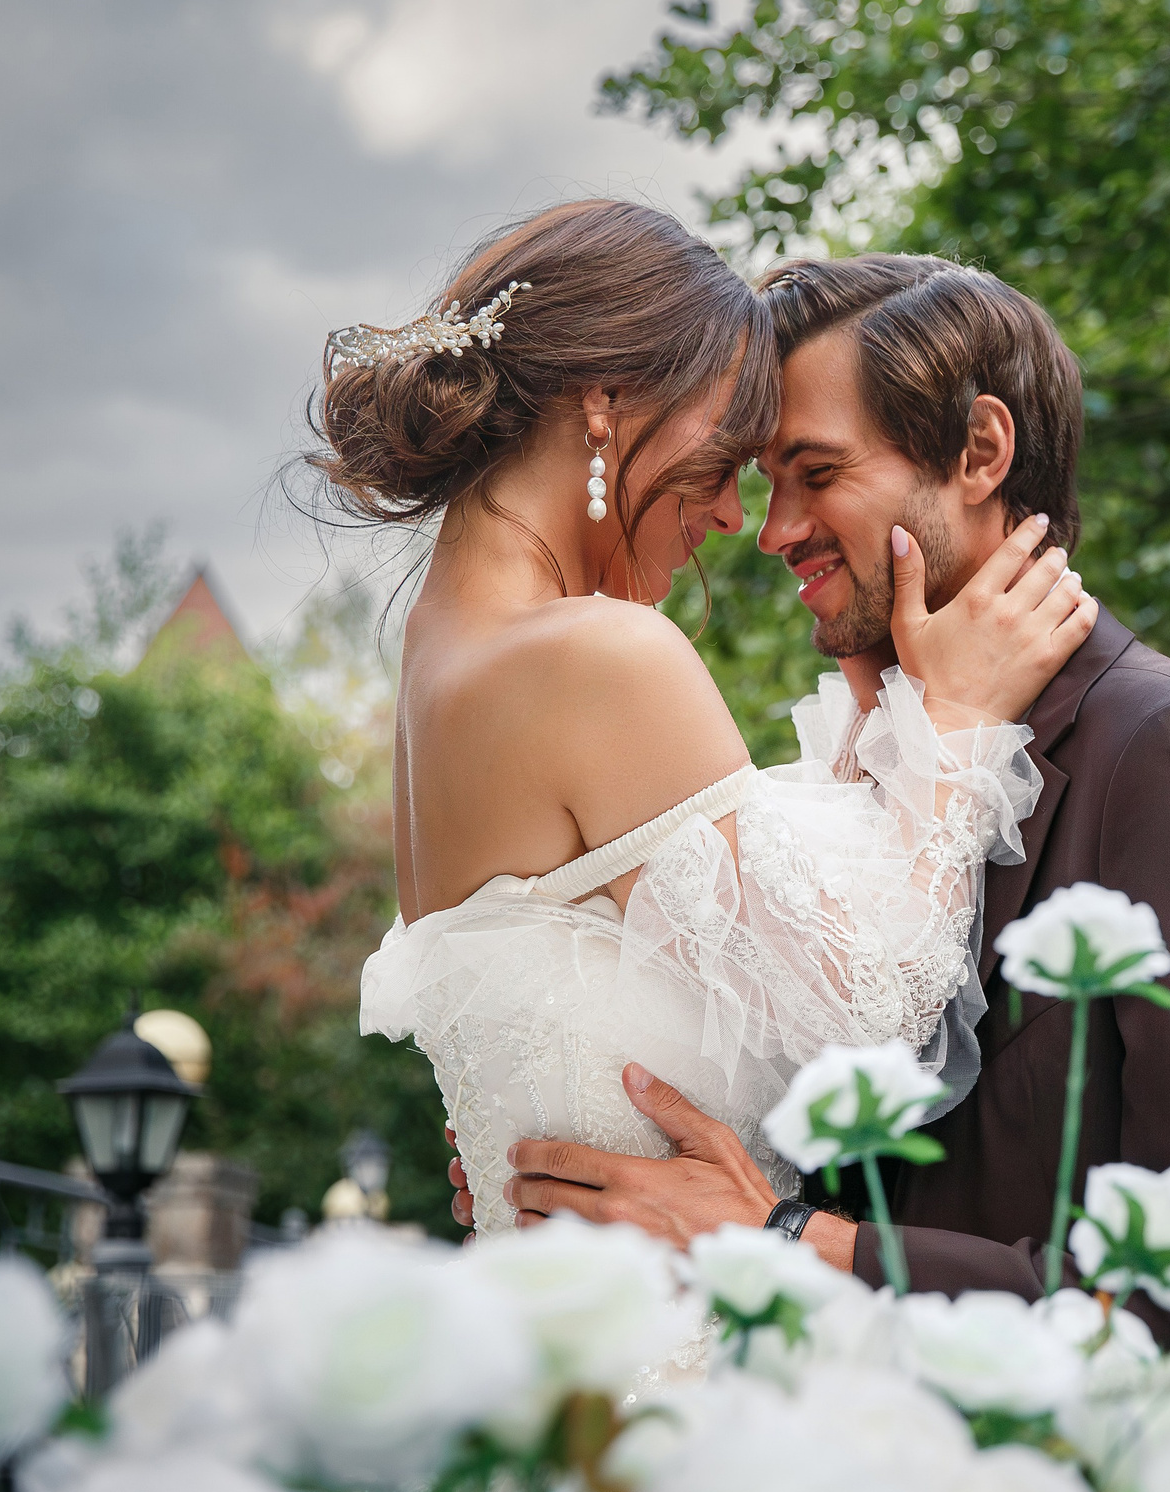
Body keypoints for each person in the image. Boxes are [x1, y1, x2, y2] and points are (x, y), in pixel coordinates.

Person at [483, 254, 1170, 1323]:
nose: (772, 531)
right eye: (763, 484)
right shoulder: (848, 780)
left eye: (816, 472)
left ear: (980, 452)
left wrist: (802, 1244)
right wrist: (569, 1166)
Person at [327, 202, 1095, 1289]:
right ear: (603, 406)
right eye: (726, 456)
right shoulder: (600, 655)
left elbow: (690, 942)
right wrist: (960, 721)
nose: (738, 517)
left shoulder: (437, 661)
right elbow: (872, 1022)